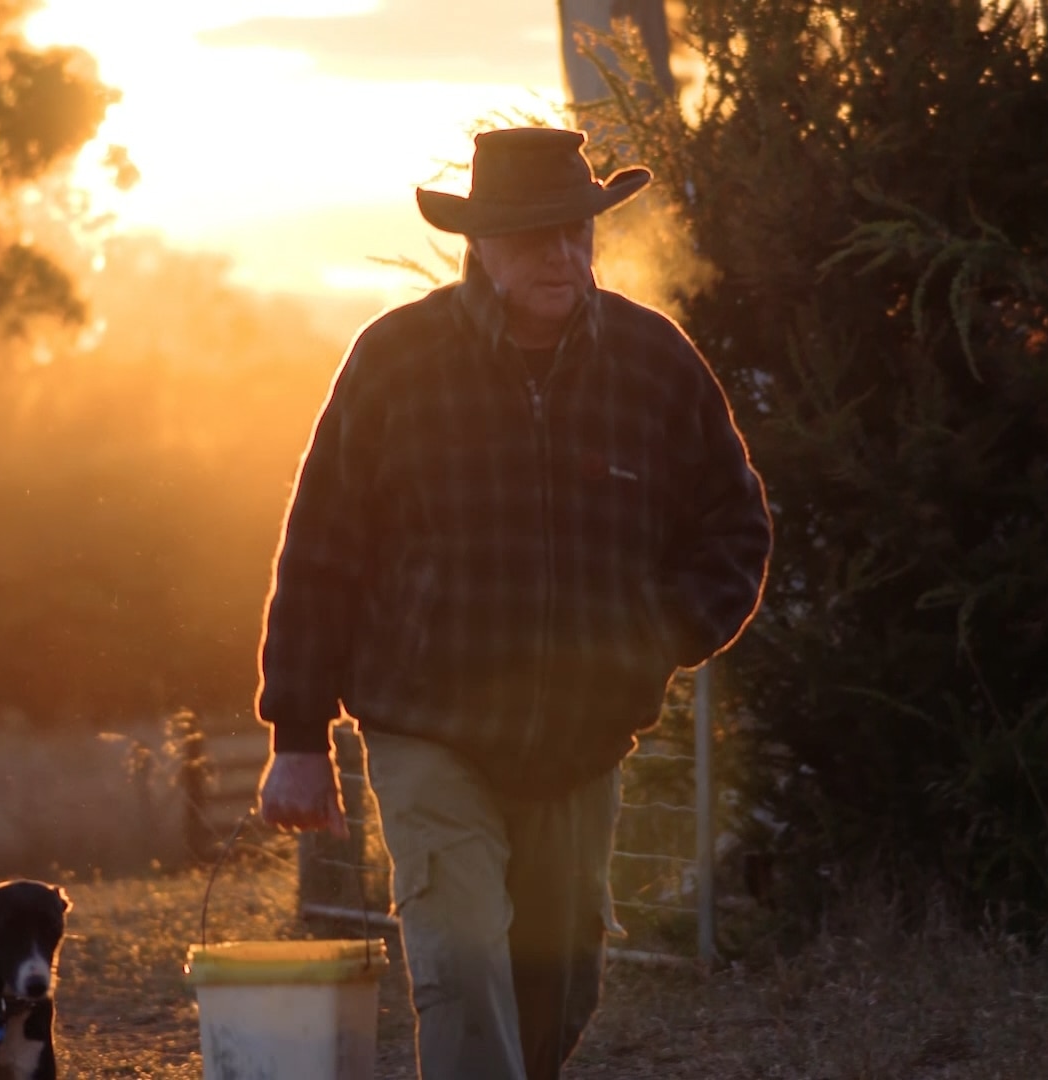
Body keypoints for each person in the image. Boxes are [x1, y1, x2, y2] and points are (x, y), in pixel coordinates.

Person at [254, 126, 772, 1079]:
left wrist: (650, 639)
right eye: (536, 235)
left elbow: (735, 527)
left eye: (577, 231)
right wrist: (296, 734)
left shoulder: (655, 364)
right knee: (460, 959)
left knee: (561, 978)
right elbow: (321, 547)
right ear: (480, 246)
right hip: (427, 724)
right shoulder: (396, 362)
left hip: (580, 738)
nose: (563, 254)